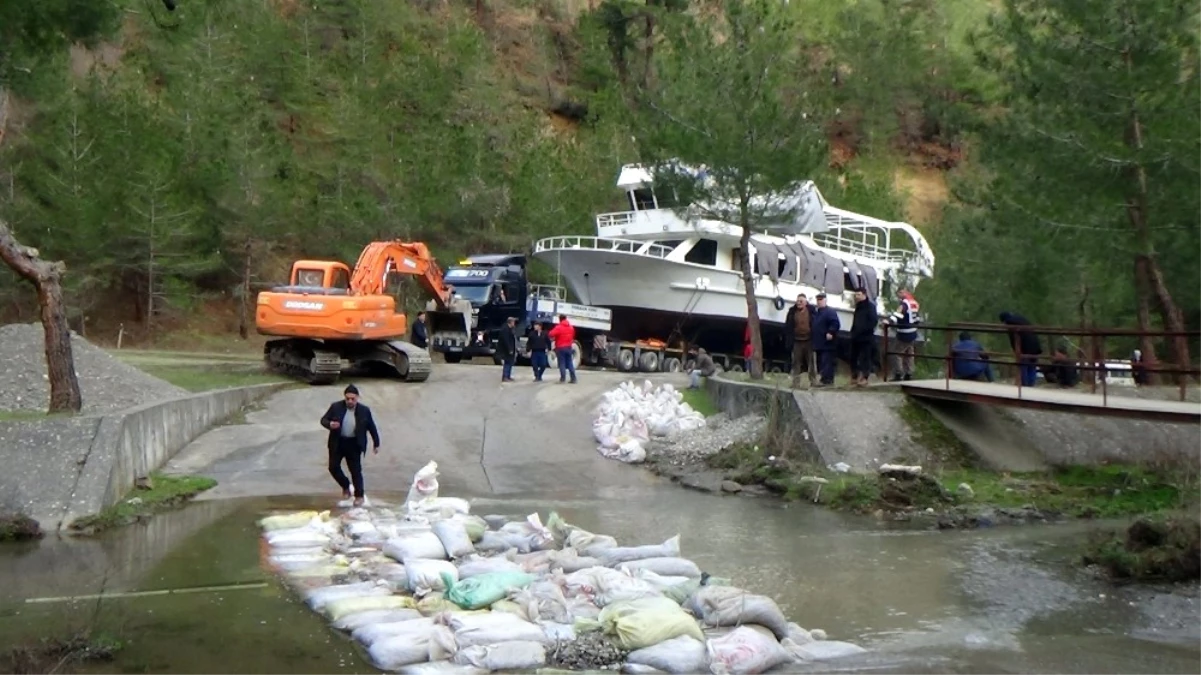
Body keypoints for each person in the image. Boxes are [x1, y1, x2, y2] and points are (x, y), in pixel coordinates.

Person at [319, 384, 380, 507]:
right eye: (347, 399)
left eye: (353, 399)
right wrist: (330, 424)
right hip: (338, 442)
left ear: (357, 398)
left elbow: (372, 427)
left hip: (354, 444)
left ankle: (359, 496)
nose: (350, 401)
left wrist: (376, 443)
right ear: (344, 397)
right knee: (333, 467)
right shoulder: (336, 407)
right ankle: (346, 486)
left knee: (356, 471)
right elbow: (323, 420)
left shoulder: (364, 411)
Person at [883, 288, 921, 381]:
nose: (898, 295)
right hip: (913, 332)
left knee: (897, 353)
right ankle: (909, 373)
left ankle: (898, 373)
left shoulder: (904, 304)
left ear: (904, 292)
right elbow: (917, 319)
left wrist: (888, 321)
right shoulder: (915, 303)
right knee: (909, 353)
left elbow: (897, 315)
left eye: (900, 293)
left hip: (904, 332)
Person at [999, 311, 1042, 386]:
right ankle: (1031, 385)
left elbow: (1013, 339)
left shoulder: (1010, 323)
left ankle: (1024, 386)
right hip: (1035, 345)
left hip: (1025, 347)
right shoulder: (1021, 318)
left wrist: (1016, 351)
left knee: (1023, 366)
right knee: (1032, 366)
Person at [784, 293, 815, 388]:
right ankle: (795, 382)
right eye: (798, 301)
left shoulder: (812, 311)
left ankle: (813, 382)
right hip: (797, 341)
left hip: (809, 340)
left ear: (806, 302)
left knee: (811, 362)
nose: (799, 303)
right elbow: (788, 326)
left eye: (801, 301)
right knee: (796, 362)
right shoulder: (792, 312)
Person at [849, 288, 878, 387]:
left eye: (858, 294)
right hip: (856, 336)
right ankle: (854, 376)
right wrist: (853, 331)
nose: (856, 297)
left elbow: (873, 321)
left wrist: (864, 330)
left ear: (864, 295)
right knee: (853, 357)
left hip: (866, 337)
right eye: (856, 295)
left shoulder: (870, 306)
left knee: (865, 358)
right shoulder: (858, 307)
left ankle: (865, 377)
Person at [812, 293, 840, 386]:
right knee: (820, 362)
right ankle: (823, 379)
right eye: (818, 300)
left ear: (825, 300)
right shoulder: (817, 313)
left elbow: (835, 323)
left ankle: (827, 380)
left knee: (827, 362)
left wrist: (831, 332)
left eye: (821, 300)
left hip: (827, 343)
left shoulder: (830, 312)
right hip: (818, 343)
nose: (819, 302)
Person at [548, 314, 577, 384]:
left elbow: (551, 334)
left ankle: (562, 379)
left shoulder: (559, 327)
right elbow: (573, 335)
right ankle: (573, 378)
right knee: (570, 363)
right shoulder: (571, 327)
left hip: (561, 347)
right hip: (568, 347)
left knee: (562, 363)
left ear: (560, 319)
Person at [498, 316, 518, 382]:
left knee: (510, 363)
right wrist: (510, 349)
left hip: (510, 349)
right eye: (513, 322)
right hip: (506, 350)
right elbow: (506, 340)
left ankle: (508, 376)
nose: (514, 323)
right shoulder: (505, 329)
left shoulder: (510, 329)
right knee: (507, 363)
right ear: (510, 322)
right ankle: (505, 377)